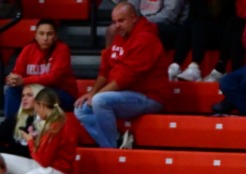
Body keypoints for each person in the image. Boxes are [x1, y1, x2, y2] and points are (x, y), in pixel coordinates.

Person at [74, 2, 168, 149]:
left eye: (121, 21)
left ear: (133, 18)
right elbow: (105, 69)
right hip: (125, 94)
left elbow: (126, 77)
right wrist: (92, 93)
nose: (117, 26)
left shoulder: (146, 38)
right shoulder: (120, 36)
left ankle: (112, 150)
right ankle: (117, 143)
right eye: (114, 22)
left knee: (100, 101)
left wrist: (97, 95)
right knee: (81, 109)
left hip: (149, 96)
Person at [2, 88, 77, 174]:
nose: (37, 114)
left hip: (54, 170)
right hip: (44, 166)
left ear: (41, 105)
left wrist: (30, 141)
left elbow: (43, 160)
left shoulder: (55, 126)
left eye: (36, 110)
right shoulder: (58, 121)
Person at [4, 19, 77, 118]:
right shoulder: (28, 49)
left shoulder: (62, 49)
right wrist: (12, 80)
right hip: (34, 90)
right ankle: (11, 125)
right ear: (36, 36)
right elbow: (17, 73)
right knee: (12, 90)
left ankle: (35, 125)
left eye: (49, 34)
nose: (45, 38)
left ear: (55, 36)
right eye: (41, 34)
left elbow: (53, 78)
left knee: (39, 95)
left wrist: (24, 81)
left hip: (62, 93)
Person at [167, 0, 235, 82]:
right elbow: (195, 13)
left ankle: (194, 67)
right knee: (190, 22)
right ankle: (175, 66)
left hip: (224, 34)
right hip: (201, 33)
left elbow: (224, 19)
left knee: (198, 24)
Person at [106, 0, 189, 50]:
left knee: (144, 32)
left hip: (171, 27)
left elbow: (169, 16)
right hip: (142, 21)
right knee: (113, 29)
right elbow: (132, 8)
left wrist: (141, 22)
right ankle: (110, 63)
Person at [0, 83, 44, 158]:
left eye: (29, 95)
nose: (24, 99)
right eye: (23, 96)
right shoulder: (14, 119)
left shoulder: (48, 121)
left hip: (36, 162)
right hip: (13, 159)